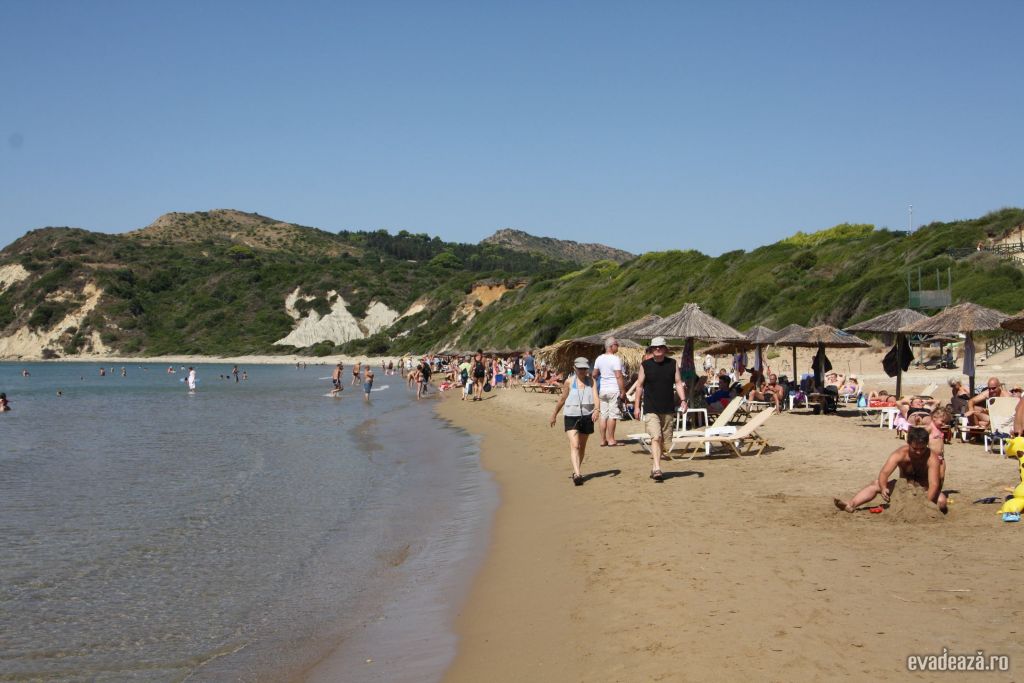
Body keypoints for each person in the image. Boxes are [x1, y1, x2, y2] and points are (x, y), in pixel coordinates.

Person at [833, 427, 947, 513]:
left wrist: (925, 504)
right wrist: (883, 488)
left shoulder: (931, 458)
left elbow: (934, 484)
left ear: (927, 444)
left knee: (941, 502)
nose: (918, 452)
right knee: (876, 484)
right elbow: (884, 473)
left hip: (924, 490)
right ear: (908, 444)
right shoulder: (900, 454)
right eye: (915, 448)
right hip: (903, 488)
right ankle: (851, 504)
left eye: (922, 449)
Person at [632, 337, 687, 482]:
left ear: (665, 349)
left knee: (665, 441)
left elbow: (678, 383)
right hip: (651, 408)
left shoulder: (672, 364)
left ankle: (655, 465)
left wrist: (683, 400)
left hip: (668, 408)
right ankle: (657, 467)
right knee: (655, 437)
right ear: (651, 349)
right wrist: (637, 406)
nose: (657, 349)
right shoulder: (645, 365)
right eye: (655, 347)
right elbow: (639, 386)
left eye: (660, 347)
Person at [549, 357, 600, 486]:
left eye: (584, 368)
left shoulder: (591, 381)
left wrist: (597, 410)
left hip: (587, 416)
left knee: (582, 447)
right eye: (580, 368)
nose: (582, 371)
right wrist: (554, 414)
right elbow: (562, 399)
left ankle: (576, 470)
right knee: (575, 445)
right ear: (574, 369)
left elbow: (595, 397)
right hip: (571, 416)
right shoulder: (569, 382)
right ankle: (577, 474)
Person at [593, 337, 627, 447]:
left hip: (603, 389)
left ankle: (603, 440)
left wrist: (602, 376)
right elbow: (618, 376)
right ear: (611, 346)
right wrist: (623, 391)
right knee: (612, 415)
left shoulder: (599, 358)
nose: (618, 346)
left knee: (603, 415)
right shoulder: (615, 359)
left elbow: (594, 374)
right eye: (616, 344)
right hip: (613, 389)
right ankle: (611, 439)